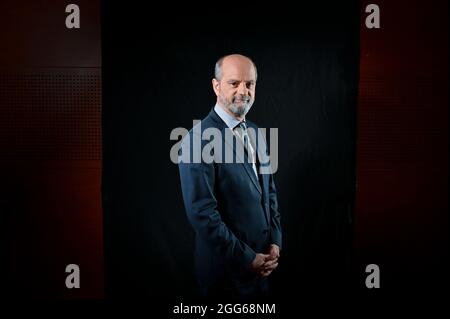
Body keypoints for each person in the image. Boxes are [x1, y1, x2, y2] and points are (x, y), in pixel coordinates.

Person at [178, 54, 282, 300]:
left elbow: (270, 193)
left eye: (250, 84)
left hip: (262, 270)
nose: (243, 91)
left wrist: (275, 243)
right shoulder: (197, 140)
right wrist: (248, 259)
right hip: (226, 277)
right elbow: (202, 214)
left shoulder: (256, 132)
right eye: (234, 83)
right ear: (216, 86)